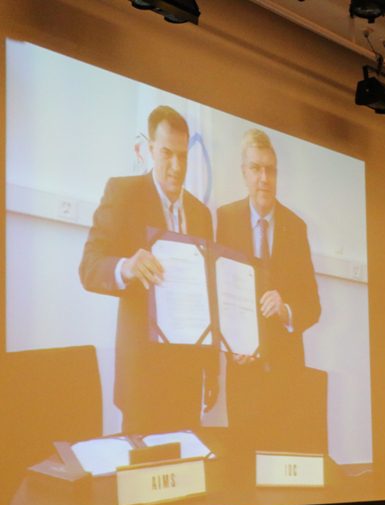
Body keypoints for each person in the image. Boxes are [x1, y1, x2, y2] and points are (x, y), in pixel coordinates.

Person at [79, 105, 215, 435]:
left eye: (183, 156)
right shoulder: (123, 193)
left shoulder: (201, 214)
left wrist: (212, 371)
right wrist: (126, 267)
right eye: (167, 153)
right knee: (141, 466)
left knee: (188, 465)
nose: (176, 166)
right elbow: (89, 267)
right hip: (141, 378)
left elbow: (208, 296)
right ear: (150, 149)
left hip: (187, 378)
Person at [215, 129, 320, 371]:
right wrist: (232, 345)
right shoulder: (226, 218)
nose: (264, 178)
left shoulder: (296, 227)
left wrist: (286, 311)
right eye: (255, 168)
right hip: (242, 366)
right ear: (244, 172)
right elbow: (220, 293)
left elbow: (313, 306)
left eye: (270, 170)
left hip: (286, 368)